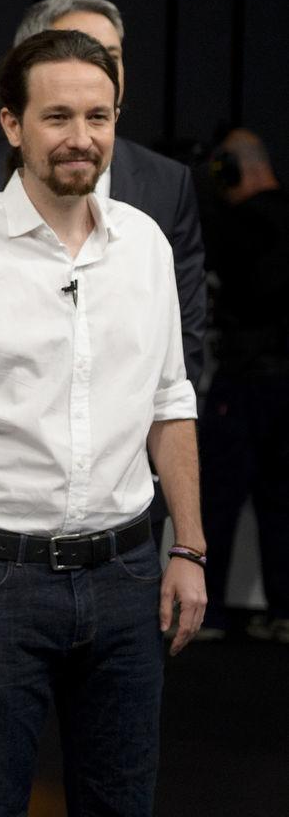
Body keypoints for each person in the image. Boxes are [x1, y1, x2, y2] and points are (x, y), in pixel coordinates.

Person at [0, 30, 207, 816]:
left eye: (99, 116)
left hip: (128, 575)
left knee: (121, 804)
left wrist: (190, 548)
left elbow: (171, 401)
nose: (80, 137)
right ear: (13, 124)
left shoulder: (145, 245)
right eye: (57, 116)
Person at [0, 0, 206, 385]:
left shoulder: (167, 185)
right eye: (73, 48)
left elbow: (183, 336)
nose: (92, 67)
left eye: (110, 55)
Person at [196, 127, 289, 642]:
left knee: (217, 499)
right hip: (281, 381)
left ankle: (207, 612)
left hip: (244, 380)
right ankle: (283, 612)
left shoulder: (235, 226)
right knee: (282, 502)